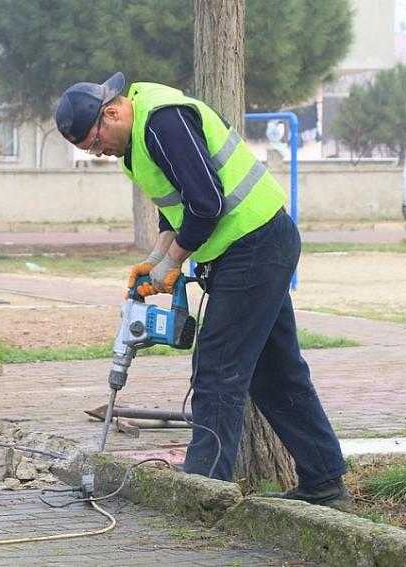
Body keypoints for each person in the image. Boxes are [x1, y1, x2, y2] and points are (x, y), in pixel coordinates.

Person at [55, 72, 350, 510]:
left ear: (111, 113)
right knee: (276, 372)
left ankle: (203, 493)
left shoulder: (162, 120)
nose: (99, 152)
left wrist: (174, 262)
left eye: (96, 143)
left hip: (254, 245)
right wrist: (157, 257)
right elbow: (175, 202)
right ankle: (324, 481)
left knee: (217, 369)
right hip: (252, 246)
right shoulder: (137, 141)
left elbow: (207, 202)